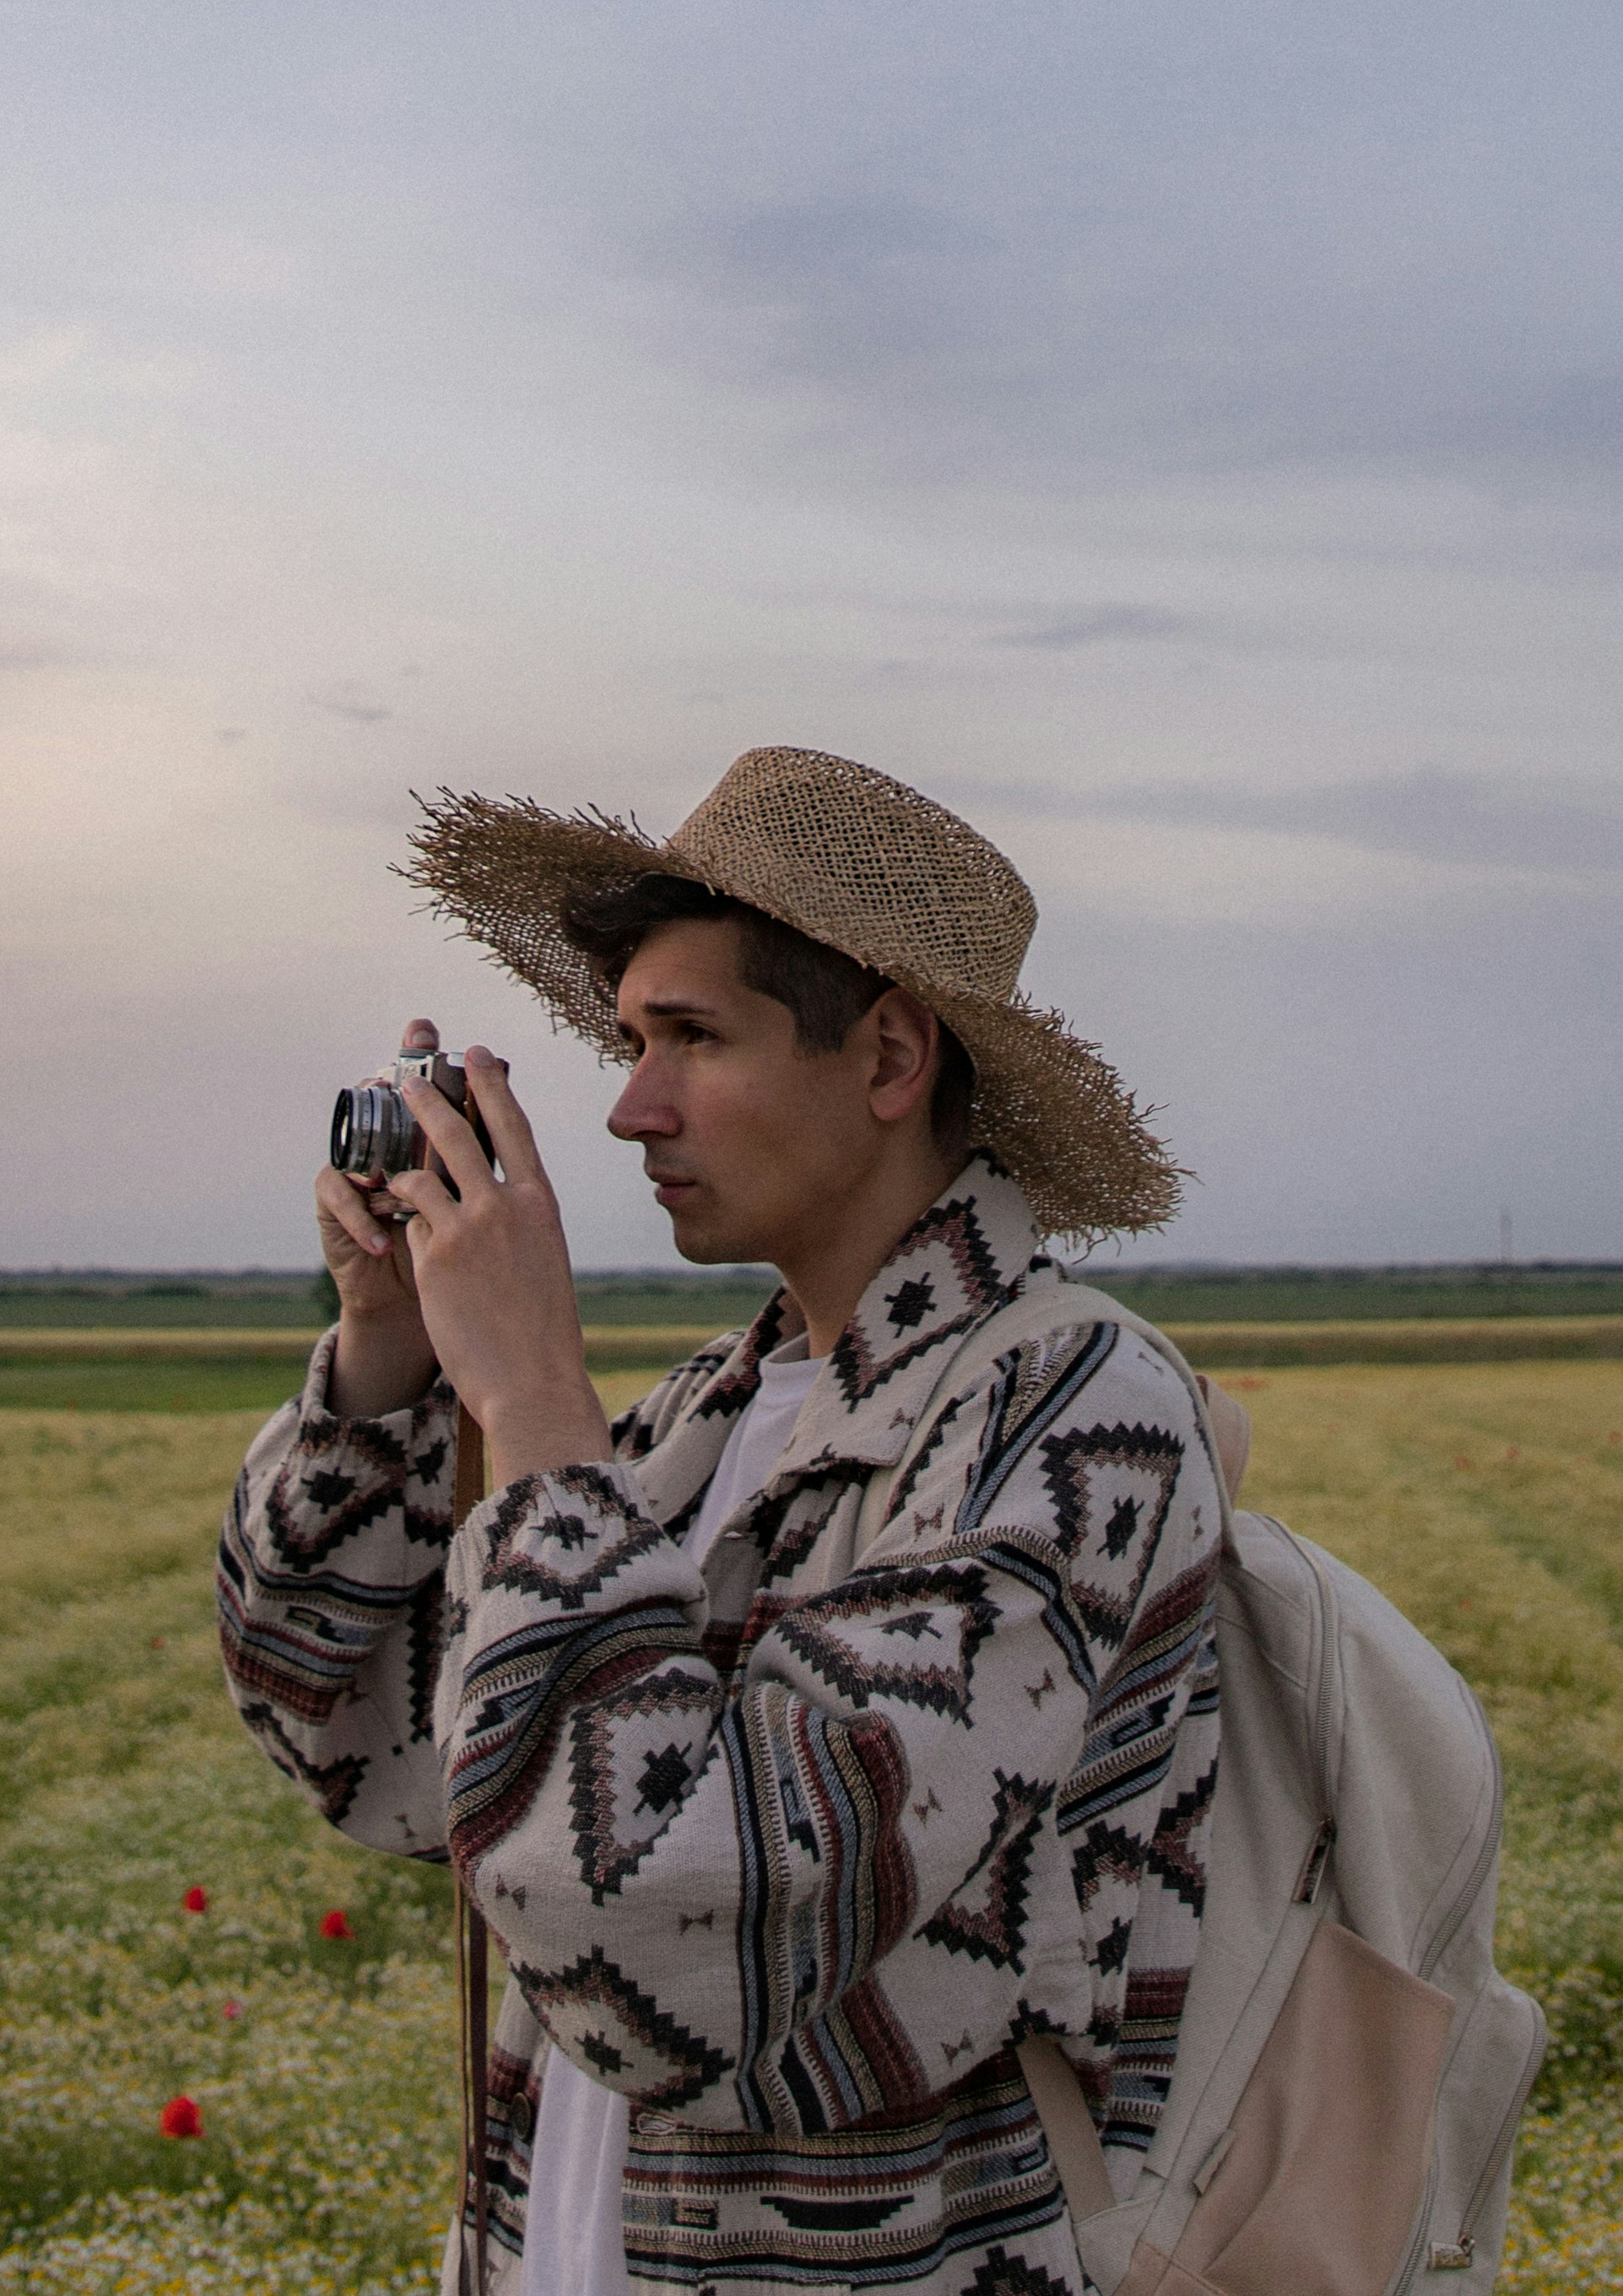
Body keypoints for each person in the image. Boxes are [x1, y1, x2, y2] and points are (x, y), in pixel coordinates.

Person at [220, 748, 1220, 2295]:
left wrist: (539, 1405)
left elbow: (659, 1918)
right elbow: (365, 1744)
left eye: (689, 1036)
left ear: (890, 1058)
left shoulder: (1076, 1406)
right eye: (629, 1040)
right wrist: (390, 1359)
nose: (628, 1110)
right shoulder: (697, 1421)